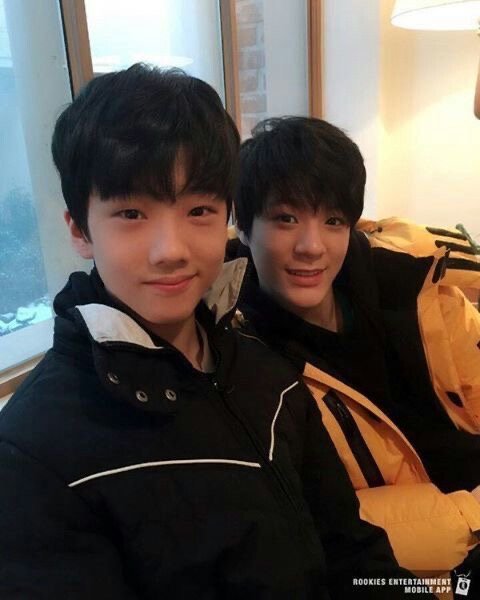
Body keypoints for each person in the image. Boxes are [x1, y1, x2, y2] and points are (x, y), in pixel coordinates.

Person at [0, 65, 422, 599]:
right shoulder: (34, 449)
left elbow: (353, 553)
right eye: (131, 213)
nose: (171, 250)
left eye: (198, 210)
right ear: (80, 230)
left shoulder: (269, 376)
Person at [231, 116, 480, 583]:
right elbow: (325, 532)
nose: (312, 246)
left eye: (333, 221)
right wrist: (470, 516)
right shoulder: (244, 364)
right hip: (419, 573)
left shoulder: (414, 289)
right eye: (286, 218)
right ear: (243, 227)